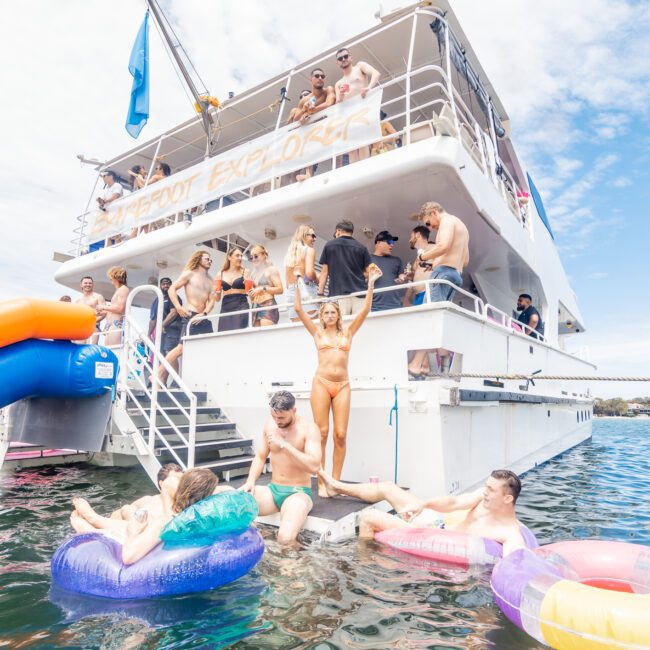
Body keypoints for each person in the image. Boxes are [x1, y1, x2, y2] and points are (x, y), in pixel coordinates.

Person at [295, 264, 382, 496]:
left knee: (340, 435)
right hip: (321, 383)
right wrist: (296, 281)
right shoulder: (317, 333)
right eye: (326, 313)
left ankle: (335, 482)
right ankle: (321, 480)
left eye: (333, 312)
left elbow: (365, 310)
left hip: (342, 385)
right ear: (322, 317)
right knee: (322, 433)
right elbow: (299, 309)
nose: (330, 315)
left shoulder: (348, 333)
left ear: (338, 315)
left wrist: (371, 283)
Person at [319, 468, 527, 556]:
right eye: (486, 487)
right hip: (440, 525)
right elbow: (454, 502)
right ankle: (337, 487)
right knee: (388, 487)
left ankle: (365, 568)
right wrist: (423, 504)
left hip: (438, 539)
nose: (485, 491)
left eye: (491, 490)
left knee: (369, 518)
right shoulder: (484, 498)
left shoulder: (510, 533)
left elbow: (514, 567)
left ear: (507, 498)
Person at [71, 468, 226, 565]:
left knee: (125, 526)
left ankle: (91, 522)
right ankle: (90, 524)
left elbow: (128, 556)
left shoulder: (169, 521)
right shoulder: (182, 518)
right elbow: (129, 557)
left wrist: (134, 531)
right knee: (122, 520)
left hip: (143, 535)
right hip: (148, 533)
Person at [240, 391, 321, 544]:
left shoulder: (309, 429)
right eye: (274, 416)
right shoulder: (270, 425)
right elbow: (260, 457)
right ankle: (259, 539)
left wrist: (285, 445)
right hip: (273, 490)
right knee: (234, 507)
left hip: (298, 493)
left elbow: (314, 466)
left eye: (282, 417)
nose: (277, 421)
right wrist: (250, 480)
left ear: (294, 410)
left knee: (285, 538)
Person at [159, 251, 215, 386]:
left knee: (209, 349)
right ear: (199, 259)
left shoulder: (211, 279)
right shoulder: (189, 274)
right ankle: (158, 374)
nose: (210, 261)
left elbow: (212, 300)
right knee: (180, 349)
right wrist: (178, 307)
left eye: (211, 260)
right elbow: (172, 289)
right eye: (207, 259)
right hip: (191, 316)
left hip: (203, 318)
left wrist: (205, 313)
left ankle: (199, 379)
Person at [334, 47, 380, 163]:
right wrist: (340, 96)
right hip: (348, 117)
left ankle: (364, 167)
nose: (343, 59)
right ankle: (354, 171)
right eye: (340, 58)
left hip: (363, 111)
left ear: (350, 57)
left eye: (345, 56)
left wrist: (368, 87)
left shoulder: (360, 66)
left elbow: (376, 73)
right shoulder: (338, 84)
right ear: (337, 63)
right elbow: (338, 104)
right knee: (351, 148)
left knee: (363, 142)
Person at [418, 202, 469, 302]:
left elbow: (443, 246)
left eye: (428, 222)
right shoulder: (462, 226)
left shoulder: (446, 221)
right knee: (443, 312)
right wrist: (435, 263)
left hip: (442, 274)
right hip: (455, 275)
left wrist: (422, 257)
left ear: (434, 213)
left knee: (431, 312)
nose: (430, 228)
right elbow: (465, 261)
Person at [318, 220, 371, 316]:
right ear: (351, 232)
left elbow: (324, 273)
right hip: (360, 294)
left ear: (338, 231)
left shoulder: (329, 245)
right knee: (360, 326)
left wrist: (320, 294)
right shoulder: (362, 248)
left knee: (340, 327)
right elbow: (369, 273)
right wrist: (358, 274)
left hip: (338, 295)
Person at [293, 68, 336, 181]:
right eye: (317, 76)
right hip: (313, 134)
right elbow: (295, 119)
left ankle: (338, 168)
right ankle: (308, 174)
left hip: (329, 128)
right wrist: (304, 111)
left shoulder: (328, 90)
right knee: (307, 141)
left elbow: (329, 102)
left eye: (322, 76)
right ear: (311, 79)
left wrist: (313, 109)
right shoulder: (304, 100)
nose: (320, 78)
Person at [284, 225, 319, 321]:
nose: (314, 239)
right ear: (304, 236)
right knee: (314, 330)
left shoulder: (289, 254)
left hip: (291, 293)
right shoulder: (309, 250)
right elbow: (309, 273)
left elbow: (287, 283)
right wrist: (317, 279)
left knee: (298, 332)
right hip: (306, 291)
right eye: (312, 236)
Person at [213, 247, 251, 332]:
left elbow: (250, 292)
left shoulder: (246, 271)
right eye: (237, 256)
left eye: (241, 256)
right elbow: (217, 299)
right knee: (223, 334)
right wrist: (215, 292)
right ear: (229, 257)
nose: (240, 258)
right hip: (226, 307)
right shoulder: (219, 274)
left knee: (239, 333)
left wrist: (254, 311)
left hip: (241, 305)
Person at [369, 231, 406, 312]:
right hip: (374, 306)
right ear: (379, 243)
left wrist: (404, 277)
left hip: (395, 305)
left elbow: (401, 276)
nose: (392, 245)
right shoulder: (367, 260)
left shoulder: (397, 260)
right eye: (389, 242)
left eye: (392, 242)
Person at [249, 244, 283, 327]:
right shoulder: (253, 274)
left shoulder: (271, 270)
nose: (254, 259)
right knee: (256, 337)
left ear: (264, 255)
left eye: (256, 256)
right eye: (251, 257)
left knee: (266, 335)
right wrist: (250, 293)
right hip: (255, 306)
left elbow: (280, 289)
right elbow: (251, 296)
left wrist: (263, 288)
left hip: (268, 305)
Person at [148, 277, 183, 357]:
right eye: (163, 284)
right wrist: (149, 334)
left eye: (168, 284)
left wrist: (162, 325)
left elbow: (173, 312)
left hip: (173, 331)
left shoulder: (174, 297)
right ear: (160, 286)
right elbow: (153, 318)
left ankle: (173, 370)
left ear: (171, 285)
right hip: (161, 333)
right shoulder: (157, 300)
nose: (166, 285)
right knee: (160, 355)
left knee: (169, 354)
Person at [97, 267, 129, 347]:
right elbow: (114, 309)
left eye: (111, 277)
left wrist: (103, 307)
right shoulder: (119, 290)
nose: (110, 279)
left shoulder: (123, 289)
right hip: (110, 325)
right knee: (108, 353)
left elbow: (120, 309)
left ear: (116, 277)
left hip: (116, 324)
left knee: (114, 352)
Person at [405, 225, 434, 307]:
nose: (409, 240)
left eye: (411, 236)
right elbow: (411, 279)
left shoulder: (435, 249)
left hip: (429, 293)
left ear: (417, 235)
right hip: (418, 297)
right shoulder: (418, 258)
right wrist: (406, 298)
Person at [76, 276, 106, 343]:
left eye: (90, 283)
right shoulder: (78, 301)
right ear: (81, 285)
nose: (88, 285)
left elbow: (104, 312)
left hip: (93, 326)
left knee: (91, 348)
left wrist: (93, 321)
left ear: (92, 285)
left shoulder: (98, 297)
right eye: (85, 283)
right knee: (79, 348)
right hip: (81, 328)